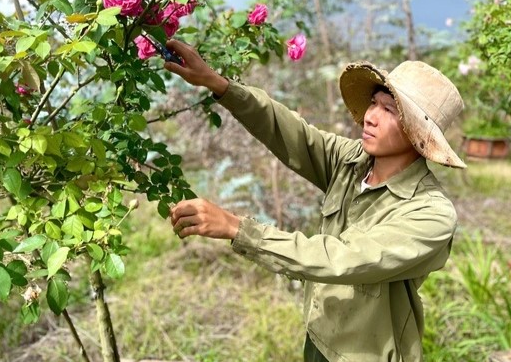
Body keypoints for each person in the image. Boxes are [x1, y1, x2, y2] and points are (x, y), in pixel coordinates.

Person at [163, 39, 466, 362]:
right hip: (320, 338)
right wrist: (218, 84)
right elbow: (289, 132)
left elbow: (343, 257)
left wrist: (238, 228)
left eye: (389, 110)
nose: (370, 117)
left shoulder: (430, 213)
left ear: (417, 133)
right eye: (374, 103)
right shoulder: (352, 161)